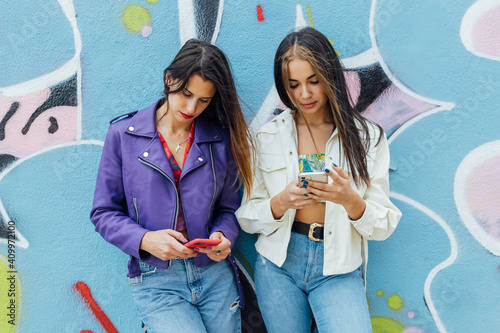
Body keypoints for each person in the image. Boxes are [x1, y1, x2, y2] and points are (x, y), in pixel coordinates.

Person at [235, 27, 402, 333]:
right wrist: (280, 202)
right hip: (278, 264)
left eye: (313, 81)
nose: (305, 94)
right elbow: (246, 217)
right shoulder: (267, 137)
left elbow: (385, 223)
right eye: (294, 84)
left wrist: (350, 200)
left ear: (329, 76)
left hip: (339, 266)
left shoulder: (367, 138)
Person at [90, 39, 253, 333]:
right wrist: (146, 239)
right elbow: (103, 212)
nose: (191, 107)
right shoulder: (123, 136)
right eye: (186, 94)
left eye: (203, 100)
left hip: (214, 275)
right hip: (156, 279)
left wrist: (222, 235)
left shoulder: (219, 140)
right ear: (169, 79)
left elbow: (229, 209)